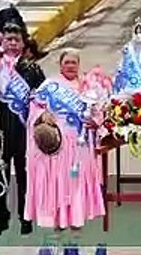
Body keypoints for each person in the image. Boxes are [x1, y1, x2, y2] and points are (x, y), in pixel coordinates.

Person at [24, 49, 105, 231]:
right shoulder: (50, 85)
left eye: (73, 62)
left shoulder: (88, 87)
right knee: (59, 182)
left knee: (76, 182)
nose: (70, 66)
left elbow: (99, 112)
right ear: (60, 65)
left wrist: (96, 121)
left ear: (78, 65)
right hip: (58, 143)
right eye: (66, 62)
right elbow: (35, 107)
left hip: (80, 144)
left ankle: (75, 222)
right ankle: (57, 224)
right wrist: (43, 115)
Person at [0, 25, 45, 239]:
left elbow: (43, 98)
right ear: (2, 43)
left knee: (25, 176)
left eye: (16, 39)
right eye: (8, 39)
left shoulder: (33, 69)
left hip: (24, 131)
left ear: (23, 44)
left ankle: (26, 218)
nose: (12, 43)